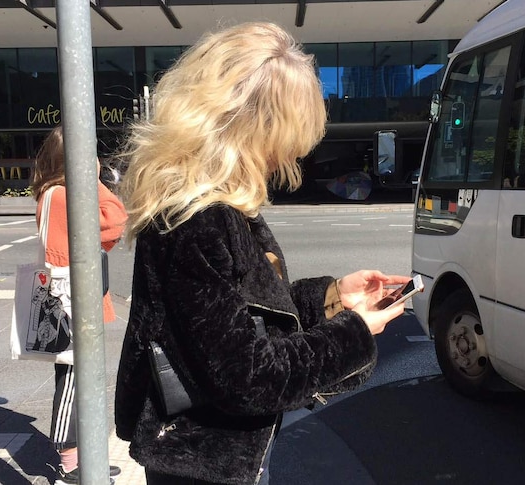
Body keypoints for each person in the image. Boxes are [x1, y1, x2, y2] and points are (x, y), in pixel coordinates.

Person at [113, 22, 411, 485]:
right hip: (206, 462)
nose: (289, 155)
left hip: (213, 454)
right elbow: (248, 378)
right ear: (253, 129)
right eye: (288, 136)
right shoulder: (199, 218)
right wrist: (354, 331)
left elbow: (235, 316)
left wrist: (333, 297)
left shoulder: (213, 205)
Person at [30, 126, 128, 485]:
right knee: (72, 379)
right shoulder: (62, 196)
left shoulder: (56, 194)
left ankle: (85, 456)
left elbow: (104, 229)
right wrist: (95, 180)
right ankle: (70, 464)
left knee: (79, 378)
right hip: (69, 306)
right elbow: (115, 218)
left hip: (70, 301)